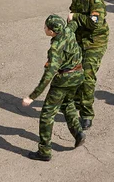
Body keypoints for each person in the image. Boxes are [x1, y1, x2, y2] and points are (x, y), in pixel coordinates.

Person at [21, 14, 86, 161]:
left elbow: (49, 74)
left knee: (47, 115)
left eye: (46, 27)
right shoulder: (68, 30)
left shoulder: (55, 48)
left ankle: (44, 151)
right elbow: (73, 24)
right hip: (78, 76)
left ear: (52, 32)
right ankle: (78, 133)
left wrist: (32, 97)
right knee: (67, 104)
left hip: (63, 81)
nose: (44, 28)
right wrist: (71, 18)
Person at [68, 0, 109, 130]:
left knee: (87, 76)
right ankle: (77, 102)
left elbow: (94, 23)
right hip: (80, 38)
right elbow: (72, 15)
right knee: (73, 71)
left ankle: (86, 114)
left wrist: (76, 17)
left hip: (95, 41)